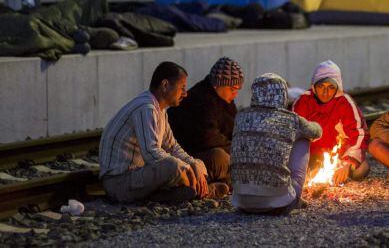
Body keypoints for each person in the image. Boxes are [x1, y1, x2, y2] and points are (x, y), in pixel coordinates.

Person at [99, 62, 228, 203]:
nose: (185, 94)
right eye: (182, 88)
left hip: (141, 176)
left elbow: (172, 147)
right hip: (121, 182)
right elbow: (152, 153)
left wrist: (193, 163)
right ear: (165, 85)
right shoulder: (146, 108)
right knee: (172, 166)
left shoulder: (160, 110)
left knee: (218, 157)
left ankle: (189, 190)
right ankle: (203, 190)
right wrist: (186, 167)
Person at [231, 73, 322, 214]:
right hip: (278, 204)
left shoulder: (240, 116)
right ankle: (294, 196)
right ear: (283, 94)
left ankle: (252, 196)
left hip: (241, 201)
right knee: (304, 138)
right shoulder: (291, 119)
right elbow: (317, 132)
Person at [168, 57, 243, 187]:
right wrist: (238, 150)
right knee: (220, 158)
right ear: (217, 84)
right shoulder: (200, 100)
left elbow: (235, 130)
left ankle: (220, 183)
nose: (235, 94)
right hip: (187, 157)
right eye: (232, 89)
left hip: (211, 155)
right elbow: (207, 138)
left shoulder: (226, 101)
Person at [292, 60, 370, 185]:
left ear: (337, 87)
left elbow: (359, 134)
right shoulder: (303, 102)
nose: (325, 92)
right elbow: (294, 135)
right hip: (310, 157)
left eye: (331, 87)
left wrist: (347, 164)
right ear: (314, 86)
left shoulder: (345, 103)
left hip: (339, 157)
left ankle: (341, 174)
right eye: (321, 87)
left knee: (361, 169)